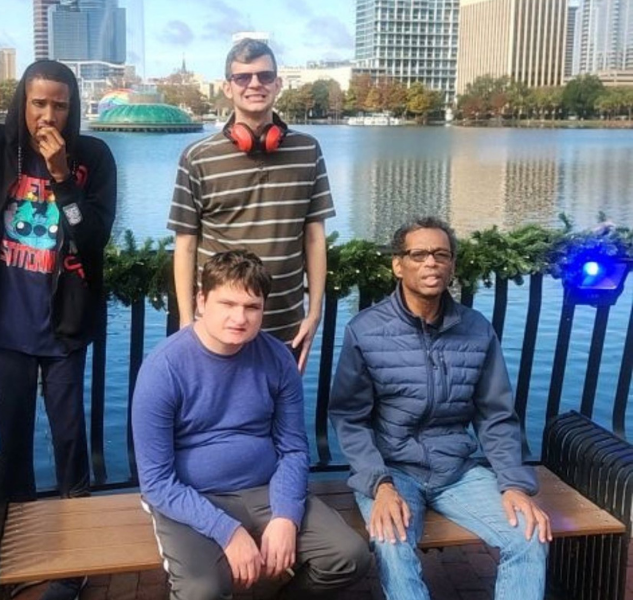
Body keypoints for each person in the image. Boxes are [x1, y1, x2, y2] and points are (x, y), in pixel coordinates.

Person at [0, 60, 116, 600]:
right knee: (12, 447)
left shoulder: (93, 158)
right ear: (22, 103)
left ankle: (72, 562)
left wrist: (61, 178)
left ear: (73, 108)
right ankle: (17, 559)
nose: (48, 115)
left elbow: (94, 239)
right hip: (1, 330)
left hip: (65, 329)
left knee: (70, 443)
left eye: (60, 104)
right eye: (39, 103)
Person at [329, 217, 551, 600]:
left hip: (458, 471)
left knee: (528, 534)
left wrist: (513, 484)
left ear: (451, 266)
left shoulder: (477, 329)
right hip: (393, 470)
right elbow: (350, 417)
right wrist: (378, 484)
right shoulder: (365, 330)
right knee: (392, 541)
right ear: (398, 265)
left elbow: (495, 415)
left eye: (441, 254)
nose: (430, 263)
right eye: (419, 254)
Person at [132, 250, 368, 600]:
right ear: (201, 300)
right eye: (227, 303)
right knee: (203, 590)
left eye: (251, 307)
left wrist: (286, 515)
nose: (239, 318)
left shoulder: (277, 359)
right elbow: (156, 481)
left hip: (265, 488)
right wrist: (228, 532)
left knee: (349, 557)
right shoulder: (163, 369)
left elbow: (292, 447)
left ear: (263, 309)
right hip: (192, 495)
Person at [167, 38, 334, 372]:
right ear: (228, 88)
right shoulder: (197, 157)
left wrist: (314, 313)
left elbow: (314, 238)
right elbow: (185, 246)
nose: (255, 84)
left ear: (278, 84)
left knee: (279, 421)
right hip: (217, 329)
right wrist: (187, 322)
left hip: (287, 327)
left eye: (264, 75)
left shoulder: (308, 151)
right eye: (243, 78)